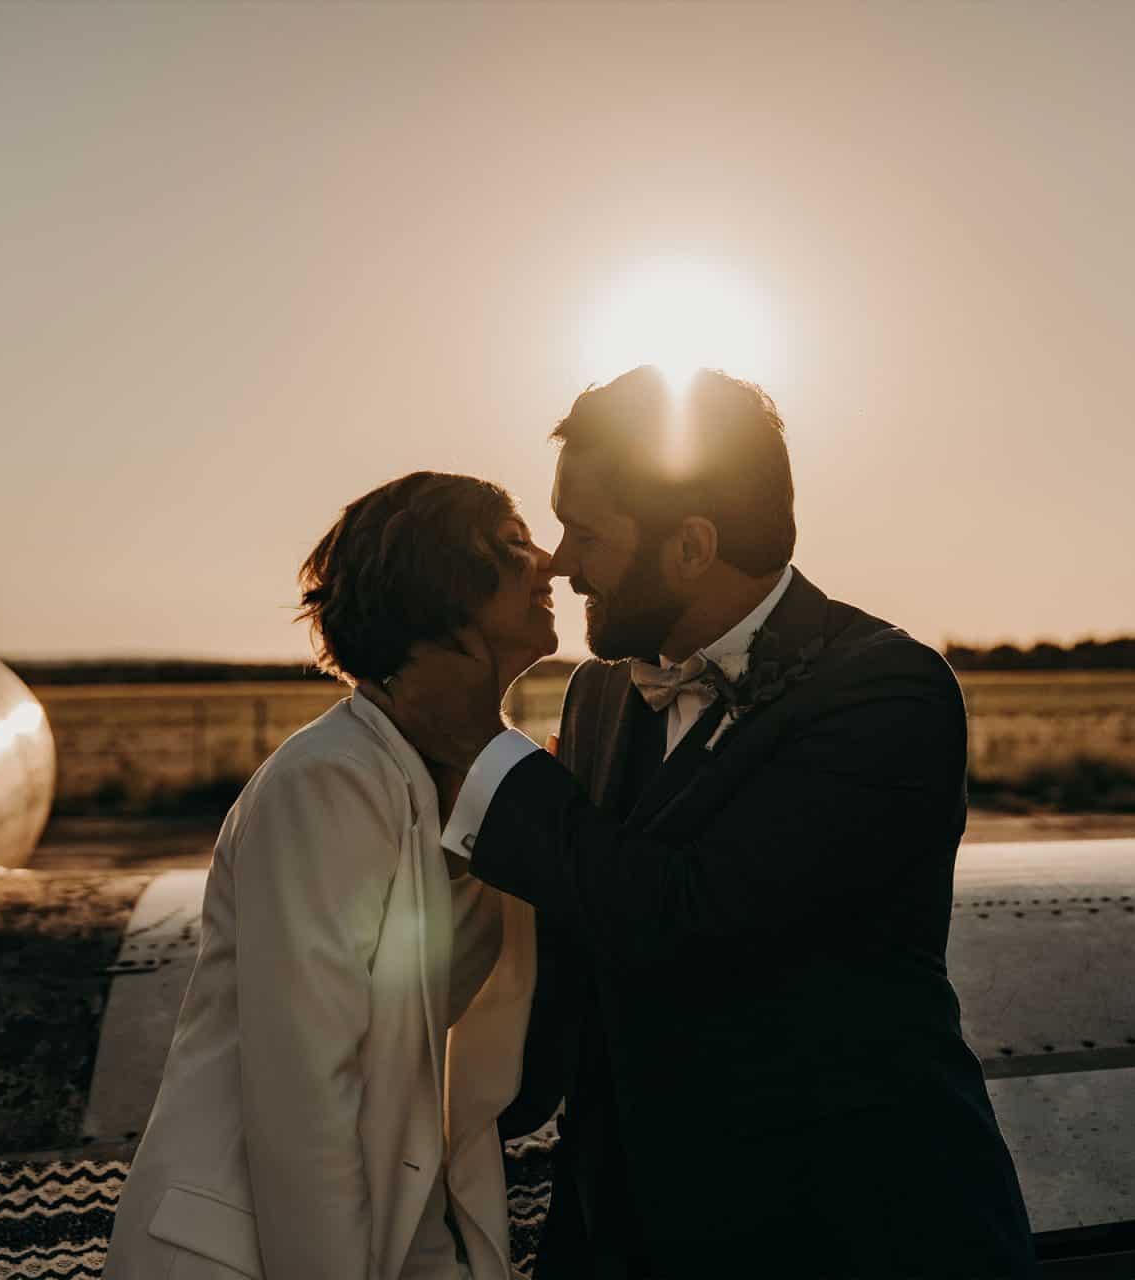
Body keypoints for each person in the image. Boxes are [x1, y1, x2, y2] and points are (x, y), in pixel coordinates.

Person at [375, 368, 1039, 1278]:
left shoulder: (889, 694)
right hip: (627, 1229)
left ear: (691, 546)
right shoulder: (600, 691)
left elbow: (686, 917)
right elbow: (580, 930)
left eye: (587, 533)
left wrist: (479, 749)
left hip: (855, 1228)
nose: (561, 564)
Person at [104, 472, 555, 1280]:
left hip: (404, 1214)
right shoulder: (329, 779)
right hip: (251, 1245)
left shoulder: (481, 775)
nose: (549, 562)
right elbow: (303, 1085)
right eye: (514, 544)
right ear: (441, 587)